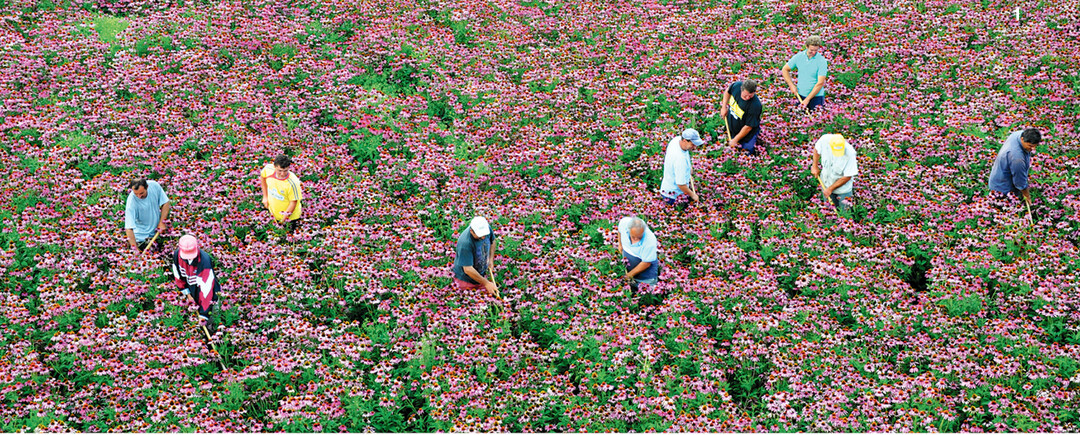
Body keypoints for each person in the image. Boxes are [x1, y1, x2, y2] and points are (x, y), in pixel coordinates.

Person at [171, 235, 221, 333]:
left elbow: (207, 290)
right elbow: (178, 276)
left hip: (209, 295)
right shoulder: (177, 255)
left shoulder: (204, 261)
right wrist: (188, 295)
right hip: (191, 290)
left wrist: (203, 315)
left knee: (211, 321)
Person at [452, 216, 501, 302]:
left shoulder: (486, 229)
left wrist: (490, 259)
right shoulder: (465, 243)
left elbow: (493, 242)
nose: (483, 238)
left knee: (491, 300)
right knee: (469, 303)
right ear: (471, 231)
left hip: (480, 274)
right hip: (466, 279)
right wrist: (486, 283)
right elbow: (468, 269)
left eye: (484, 235)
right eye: (480, 236)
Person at [989, 128, 1042, 203]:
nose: (1033, 149)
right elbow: (1020, 182)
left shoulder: (1018, 134)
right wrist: (1027, 196)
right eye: (1030, 146)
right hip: (1002, 188)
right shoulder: (1017, 158)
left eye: (1035, 146)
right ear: (1022, 139)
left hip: (999, 174)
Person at [810, 134, 859, 210]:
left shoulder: (850, 153)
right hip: (826, 183)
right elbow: (817, 150)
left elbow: (847, 176)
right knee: (829, 211)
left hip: (843, 190)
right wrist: (815, 166)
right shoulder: (824, 140)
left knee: (845, 212)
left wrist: (830, 189)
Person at [782, 36, 829, 112]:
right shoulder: (799, 57)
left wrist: (807, 99)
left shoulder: (821, 61)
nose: (813, 53)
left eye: (816, 50)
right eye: (811, 50)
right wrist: (791, 85)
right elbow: (785, 69)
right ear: (806, 46)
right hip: (800, 95)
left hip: (816, 97)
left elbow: (820, 83)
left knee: (815, 120)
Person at [124, 178, 171, 254]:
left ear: (147, 187)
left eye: (141, 193)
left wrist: (162, 222)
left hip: (157, 233)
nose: (139, 196)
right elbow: (129, 228)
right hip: (141, 239)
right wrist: (136, 250)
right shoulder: (131, 203)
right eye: (136, 194)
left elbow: (165, 202)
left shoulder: (154, 186)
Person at [659, 128, 704, 205]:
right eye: (693, 144)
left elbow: (685, 154)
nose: (695, 147)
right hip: (673, 196)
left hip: (667, 187)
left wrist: (689, 167)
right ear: (685, 141)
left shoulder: (676, 140)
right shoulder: (680, 159)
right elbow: (681, 184)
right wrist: (693, 195)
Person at [260, 154, 303, 232]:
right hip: (273, 212)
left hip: (290, 218)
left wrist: (282, 222)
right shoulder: (268, 169)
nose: (282, 174)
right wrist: (265, 197)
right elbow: (263, 177)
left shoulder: (293, 183)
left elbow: (293, 203)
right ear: (274, 166)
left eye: (285, 170)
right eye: (280, 170)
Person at [617, 216, 660, 292]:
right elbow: (620, 230)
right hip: (629, 270)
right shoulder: (624, 223)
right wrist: (620, 245)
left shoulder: (650, 240)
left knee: (646, 296)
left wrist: (629, 275)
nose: (636, 240)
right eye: (633, 237)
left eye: (639, 237)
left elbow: (646, 263)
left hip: (645, 278)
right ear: (629, 230)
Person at [720, 79, 763, 155]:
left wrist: (735, 140)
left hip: (747, 132)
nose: (747, 98)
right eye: (745, 95)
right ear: (741, 89)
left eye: (750, 96)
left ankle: (757, 141)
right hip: (732, 123)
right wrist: (724, 107)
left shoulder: (755, 106)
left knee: (747, 151)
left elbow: (748, 127)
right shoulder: (736, 86)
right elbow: (727, 91)